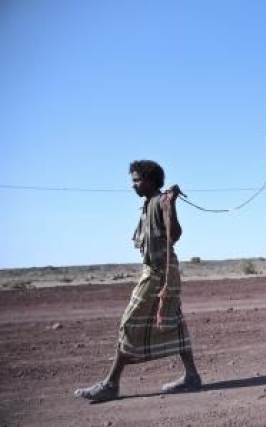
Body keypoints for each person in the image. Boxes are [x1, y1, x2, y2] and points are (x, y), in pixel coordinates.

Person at [75, 160, 201, 402]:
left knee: (130, 322)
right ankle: (192, 376)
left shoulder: (161, 202)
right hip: (157, 270)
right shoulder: (147, 206)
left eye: (136, 180)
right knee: (173, 321)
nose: (132, 185)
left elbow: (174, 234)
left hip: (159, 273)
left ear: (151, 181)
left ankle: (111, 384)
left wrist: (171, 205)